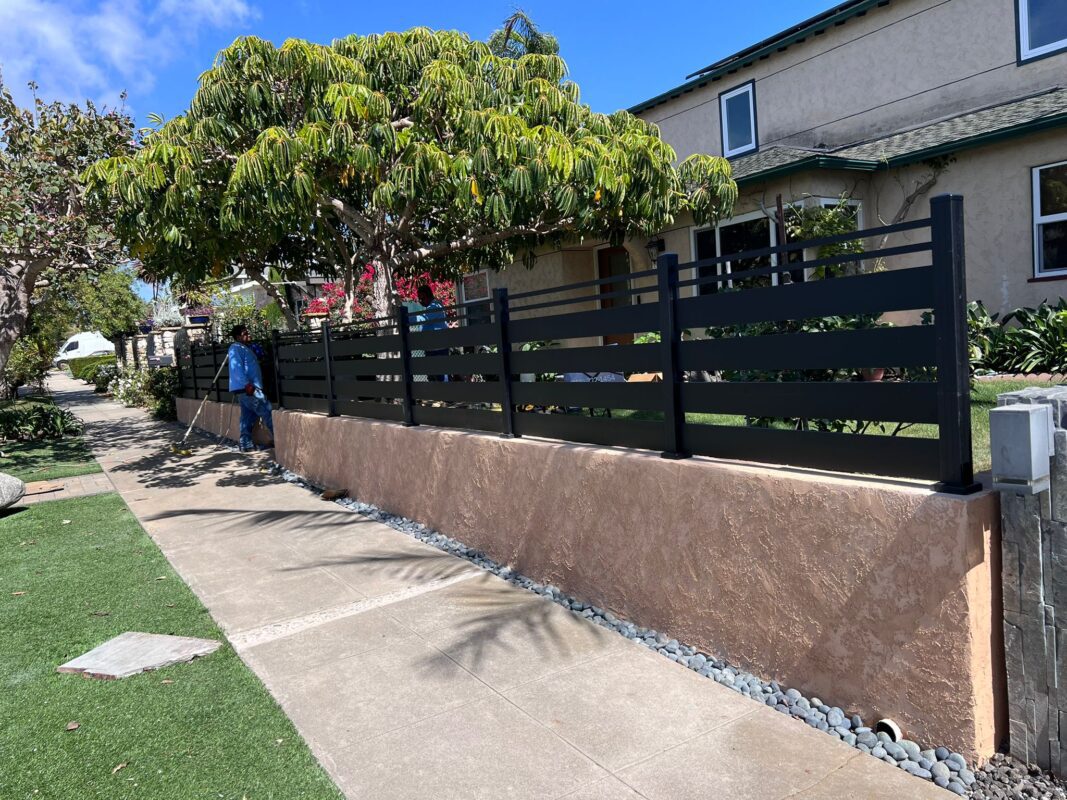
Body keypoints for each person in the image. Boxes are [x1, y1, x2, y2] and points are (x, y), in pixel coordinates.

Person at [227, 324, 274, 452]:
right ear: (238, 337)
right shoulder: (236, 348)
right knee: (267, 411)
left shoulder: (243, 348)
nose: (249, 335)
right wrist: (247, 385)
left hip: (247, 388)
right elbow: (236, 368)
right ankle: (280, 440)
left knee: (247, 418)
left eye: (248, 332)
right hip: (249, 388)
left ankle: (246, 444)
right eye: (245, 333)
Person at [416, 285, 449, 382]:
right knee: (433, 377)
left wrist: (404, 318)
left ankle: (447, 395)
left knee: (442, 376)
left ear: (429, 295)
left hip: (438, 348)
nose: (421, 301)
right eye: (419, 299)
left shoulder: (435, 306)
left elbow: (423, 319)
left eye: (422, 298)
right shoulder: (430, 307)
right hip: (431, 348)